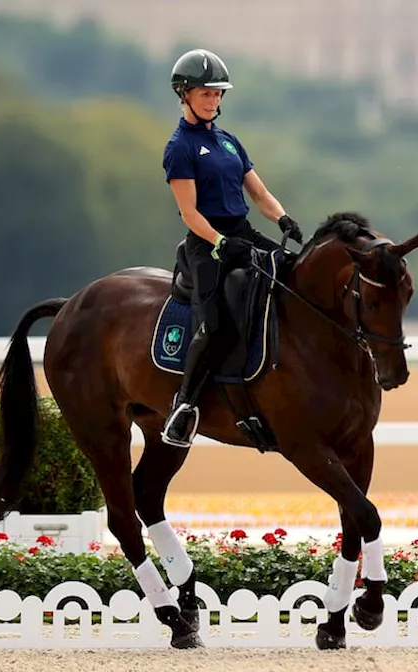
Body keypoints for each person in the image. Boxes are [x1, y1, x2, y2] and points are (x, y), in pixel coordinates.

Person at [160, 48, 304, 448]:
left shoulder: (227, 142)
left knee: (292, 274)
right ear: (184, 94)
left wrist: (283, 219)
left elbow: (258, 192)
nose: (214, 101)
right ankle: (183, 407)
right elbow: (189, 213)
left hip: (241, 231)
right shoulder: (179, 148)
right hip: (207, 244)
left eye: (218, 94)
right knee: (216, 324)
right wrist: (222, 243)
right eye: (206, 94)